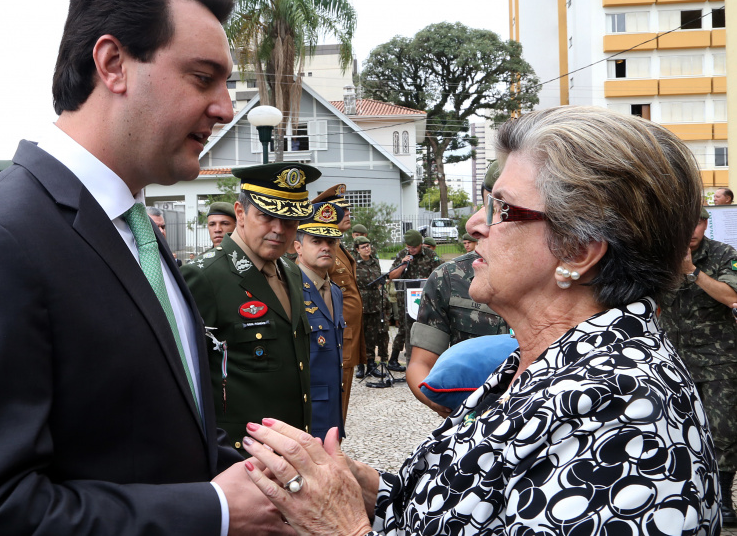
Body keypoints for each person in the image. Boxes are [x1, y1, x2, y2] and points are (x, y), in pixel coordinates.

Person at [0, 0, 291, 534]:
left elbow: (157, 443)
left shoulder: (134, 231)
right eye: (202, 78)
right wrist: (213, 512)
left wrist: (285, 480)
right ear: (113, 63)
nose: (223, 107)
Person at [238, 106, 721, 534]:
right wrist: (366, 489)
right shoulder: (541, 363)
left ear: (578, 250)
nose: (474, 224)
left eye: (502, 207)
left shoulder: (624, 414)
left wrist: (340, 527)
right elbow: (472, 501)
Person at [182, 162, 319, 449]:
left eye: (290, 220)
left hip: (292, 447)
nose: (279, 230)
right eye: (267, 217)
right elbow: (183, 381)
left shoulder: (291, 271)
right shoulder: (204, 276)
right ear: (241, 213)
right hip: (239, 458)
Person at [407, 165, 510, 416]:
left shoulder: (577, 284)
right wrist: (444, 406)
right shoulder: (450, 277)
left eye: (502, 209)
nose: (475, 222)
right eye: (486, 206)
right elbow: (421, 363)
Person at [659, 206, 737, 524]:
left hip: (720, 360)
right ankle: (686, 497)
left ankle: (722, 500)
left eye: (699, 222)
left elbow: (731, 294)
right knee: (678, 431)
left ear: (705, 224)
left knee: (723, 431)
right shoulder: (660, 257)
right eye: (685, 222)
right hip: (677, 361)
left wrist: (693, 273)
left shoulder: (724, 254)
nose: (692, 229)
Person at [293, 202, 346, 441]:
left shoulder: (334, 291)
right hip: (302, 415)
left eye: (331, 242)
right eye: (316, 241)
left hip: (331, 411)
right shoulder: (288, 289)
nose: (326, 247)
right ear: (298, 247)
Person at [312, 184, 364, 422]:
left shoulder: (338, 245)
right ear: (327, 214)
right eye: (342, 209)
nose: (348, 214)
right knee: (335, 397)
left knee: (343, 395)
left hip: (348, 333)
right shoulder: (321, 251)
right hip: (337, 334)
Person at [388, 229, 440, 369]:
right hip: (405, 301)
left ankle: (425, 360)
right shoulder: (402, 255)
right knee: (404, 329)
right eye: (408, 247)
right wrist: (403, 265)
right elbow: (392, 276)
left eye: (414, 247)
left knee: (425, 328)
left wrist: (427, 280)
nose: (411, 250)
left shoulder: (431, 255)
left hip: (425, 299)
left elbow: (439, 275)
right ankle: (394, 358)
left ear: (421, 244)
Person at [354, 236, 388, 379]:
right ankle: (360, 365)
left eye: (368, 246)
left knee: (372, 336)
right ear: (357, 250)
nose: (367, 249)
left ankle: (371, 364)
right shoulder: (354, 263)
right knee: (360, 336)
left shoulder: (375, 262)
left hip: (374, 303)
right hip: (360, 302)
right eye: (363, 247)